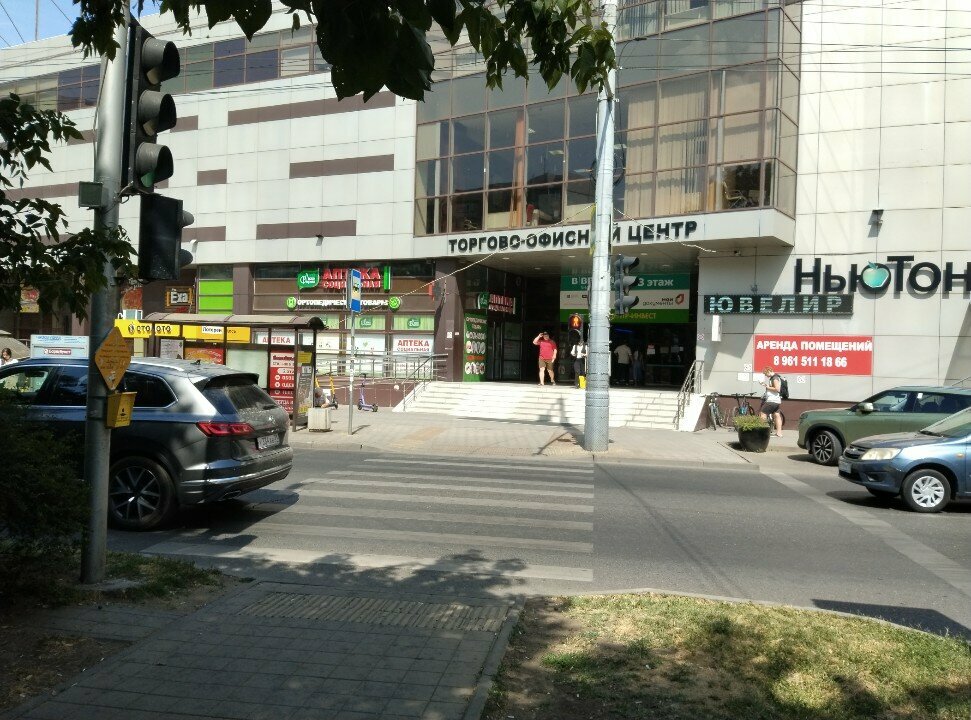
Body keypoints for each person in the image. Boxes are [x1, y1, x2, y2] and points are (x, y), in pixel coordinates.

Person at [760, 366, 784, 437]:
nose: (766, 376)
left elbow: (777, 389)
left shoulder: (775, 378)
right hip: (776, 400)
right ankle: (779, 433)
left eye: (766, 374)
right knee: (777, 415)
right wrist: (766, 385)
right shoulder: (776, 377)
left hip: (772, 400)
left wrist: (767, 387)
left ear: (768, 371)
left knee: (763, 413)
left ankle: (763, 433)